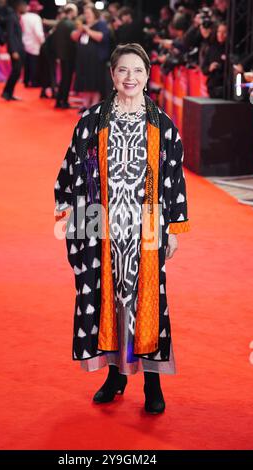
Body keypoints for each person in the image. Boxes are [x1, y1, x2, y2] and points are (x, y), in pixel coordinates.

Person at [54, 43, 190, 414]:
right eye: (123, 71)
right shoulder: (91, 122)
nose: (130, 78)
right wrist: (71, 219)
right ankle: (116, 376)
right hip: (102, 227)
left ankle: (152, 381)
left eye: (138, 71)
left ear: (147, 77)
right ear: (112, 76)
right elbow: (72, 171)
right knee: (109, 301)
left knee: (147, 303)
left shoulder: (162, 125)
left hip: (146, 228)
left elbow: (174, 179)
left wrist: (174, 228)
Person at [71, 4, 110, 112]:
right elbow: (73, 37)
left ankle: (93, 105)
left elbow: (101, 37)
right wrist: (81, 30)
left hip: (96, 60)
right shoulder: (83, 25)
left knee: (95, 82)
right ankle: (85, 104)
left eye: (89, 13)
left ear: (94, 13)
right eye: (85, 13)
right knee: (85, 82)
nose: (86, 15)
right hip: (83, 60)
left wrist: (87, 30)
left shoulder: (101, 24)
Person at [52, 3, 78, 108]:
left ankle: (59, 101)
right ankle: (64, 101)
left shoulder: (60, 23)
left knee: (64, 79)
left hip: (62, 55)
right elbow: (74, 39)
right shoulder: (70, 24)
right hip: (69, 55)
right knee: (67, 79)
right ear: (71, 12)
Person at [1, 0, 27, 101]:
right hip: (15, 49)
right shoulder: (11, 18)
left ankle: (9, 93)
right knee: (16, 71)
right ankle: (6, 92)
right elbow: (10, 35)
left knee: (17, 71)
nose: (26, 8)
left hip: (19, 48)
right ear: (19, 6)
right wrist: (13, 50)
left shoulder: (16, 17)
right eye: (24, 6)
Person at [22, 0, 45, 88]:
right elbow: (38, 32)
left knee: (27, 64)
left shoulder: (23, 16)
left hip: (24, 43)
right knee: (34, 64)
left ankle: (26, 81)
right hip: (34, 44)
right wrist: (43, 41)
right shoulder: (36, 18)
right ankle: (34, 82)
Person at [201, 21, 227, 98]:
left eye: (224, 32)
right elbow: (203, 69)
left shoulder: (231, 49)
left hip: (227, 88)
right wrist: (210, 68)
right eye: (219, 32)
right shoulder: (212, 48)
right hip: (213, 87)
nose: (221, 35)